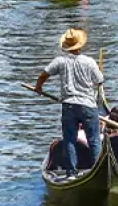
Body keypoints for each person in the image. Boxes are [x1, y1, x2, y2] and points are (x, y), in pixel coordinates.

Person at [33, 28, 104, 179]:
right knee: (94, 140)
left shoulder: (60, 61)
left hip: (69, 106)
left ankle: (71, 173)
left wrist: (39, 87)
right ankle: (98, 171)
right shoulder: (90, 62)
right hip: (88, 106)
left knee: (69, 140)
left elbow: (43, 74)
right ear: (80, 45)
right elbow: (99, 80)